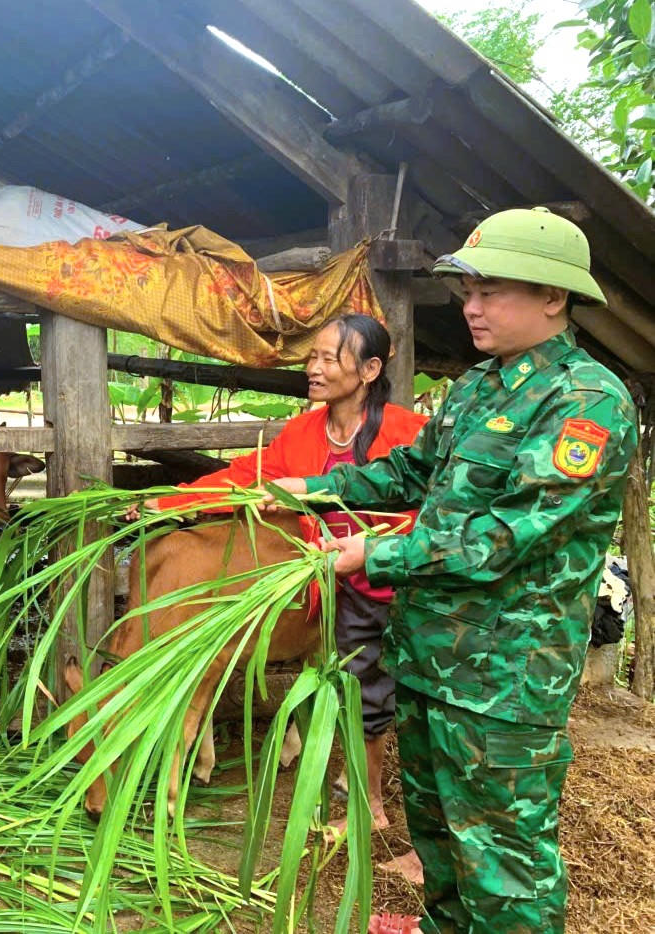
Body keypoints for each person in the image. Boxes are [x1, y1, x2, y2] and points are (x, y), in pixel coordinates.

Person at [270, 207, 637, 934]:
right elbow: (412, 471)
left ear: (553, 298)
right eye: (467, 291)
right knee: (439, 840)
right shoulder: (478, 388)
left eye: (490, 290)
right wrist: (321, 488)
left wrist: (375, 553)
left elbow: (501, 536)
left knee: (504, 863)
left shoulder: (586, 402)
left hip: (504, 679)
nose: (470, 307)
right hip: (431, 658)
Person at [137, 313, 427, 831]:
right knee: (345, 679)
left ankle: (372, 805)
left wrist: (376, 546)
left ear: (368, 369)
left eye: (327, 358)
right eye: (310, 357)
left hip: (382, 575)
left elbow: (433, 514)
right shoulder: (302, 431)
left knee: (370, 687)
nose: (312, 368)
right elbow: (245, 479)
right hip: (317, 574)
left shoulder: (409, 435)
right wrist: (167, 501)